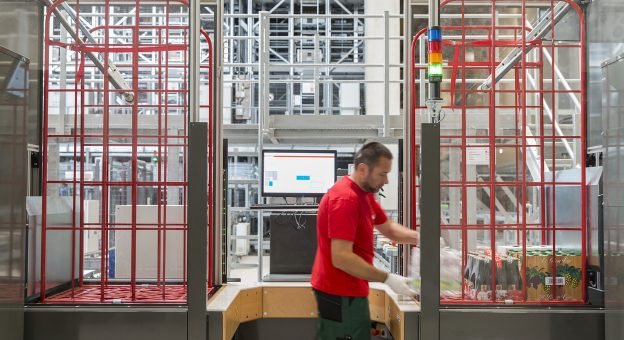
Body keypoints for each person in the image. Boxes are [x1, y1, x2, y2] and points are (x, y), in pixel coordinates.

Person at [310, 142, 419, 340]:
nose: (386, 181)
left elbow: (389, 229)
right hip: (340, 295)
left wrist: (421, 238)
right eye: (382, 174)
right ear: (363, 169)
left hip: (352, 292)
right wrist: (387, 278)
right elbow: (341, 258)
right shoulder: (345, 199)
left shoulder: (364, 195)